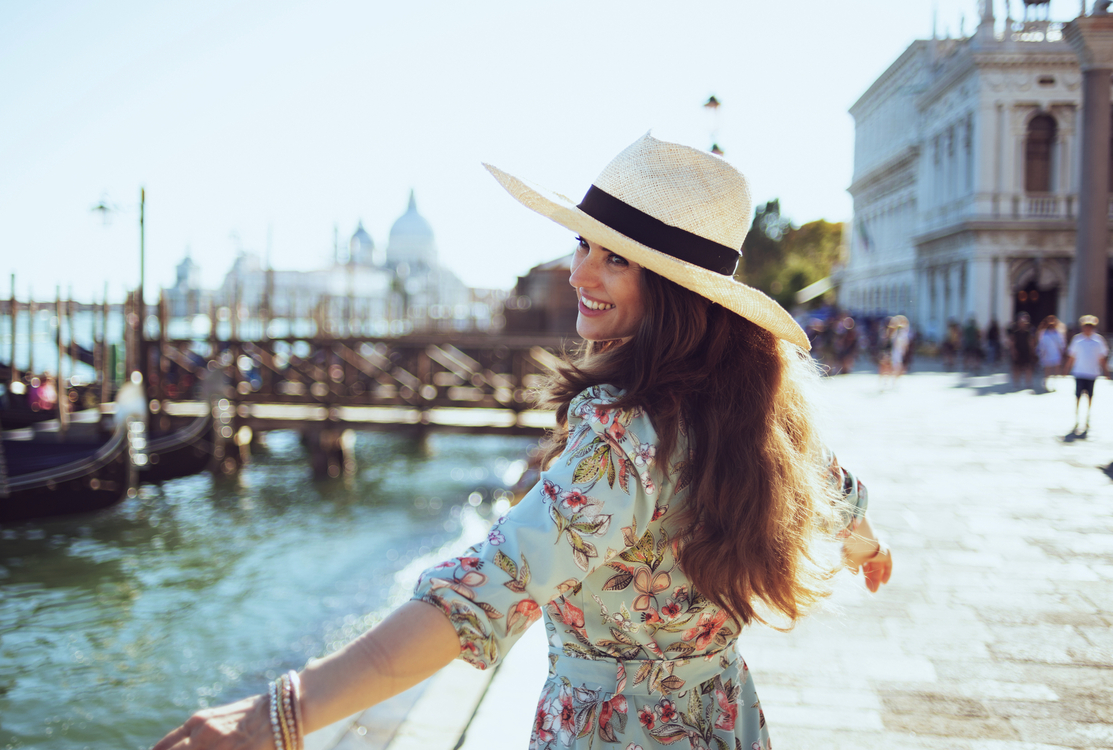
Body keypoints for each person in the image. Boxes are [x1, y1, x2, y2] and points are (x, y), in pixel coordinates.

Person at [154, 134, 893, 750]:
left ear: (676, 290)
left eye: (615, 258)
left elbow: (481, 589)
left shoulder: (624, 439)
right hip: (727, 719)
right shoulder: (765, 411)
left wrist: (280, 714)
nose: (580, 272)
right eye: (583, 245)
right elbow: (839, 495)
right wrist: (872, 548)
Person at [1064, 314, 1108, 436]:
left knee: (1090, 396)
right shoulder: (1077, 340)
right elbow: (1072, 356)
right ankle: (1077, 416)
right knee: (1078, 395)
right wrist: (1066, 369)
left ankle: (1087, 416)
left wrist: (1106, 371)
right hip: (1079, 372)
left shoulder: (1098, 340)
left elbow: (1102, 358)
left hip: (1092, 372)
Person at [1035, 315, 1065, 391]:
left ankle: (1054, 384)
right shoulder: (1043, 333)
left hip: (1056, 354)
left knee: (1055, 371)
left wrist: (1062, 353)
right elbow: (1041, 344)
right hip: (1047, 354)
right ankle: (1046, 384)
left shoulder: (1058, 333)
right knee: (1047, 371)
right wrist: (1041, 353)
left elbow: (1061, 344)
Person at [1010, 312, 1036, 389]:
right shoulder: (1015, 333)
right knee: (1016, 368)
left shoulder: (1029, 333)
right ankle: (1016, 382)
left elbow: (1031, 343)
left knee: (1028, 368)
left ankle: (1028, 383)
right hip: (1018, 352)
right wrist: (1013, 352)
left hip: (1026, 352)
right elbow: (1012, 343)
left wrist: (1033, 352)